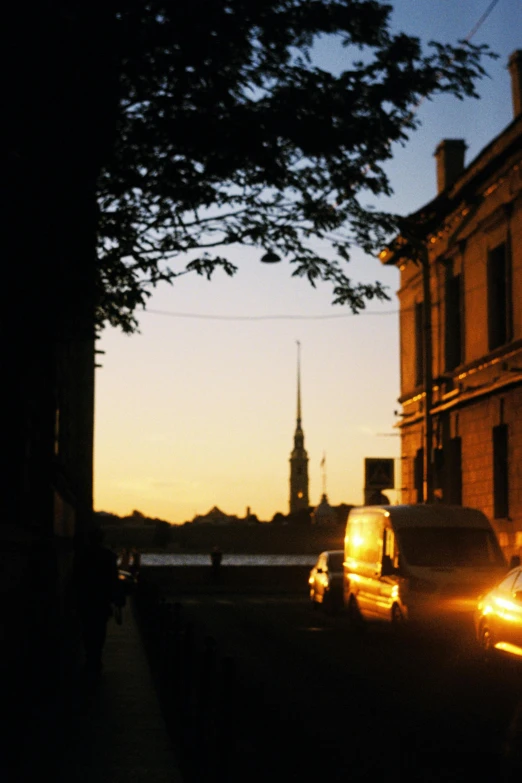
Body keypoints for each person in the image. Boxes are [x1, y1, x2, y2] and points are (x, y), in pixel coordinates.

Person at [73, 528, 119, 676]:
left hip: (86, 598)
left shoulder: (82, 555)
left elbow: (77, 578)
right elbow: (113, 580)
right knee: (99, 630)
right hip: (101, 599)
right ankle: (96, 657)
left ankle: (90, 658)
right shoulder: (109, 556)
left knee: (87, 629)